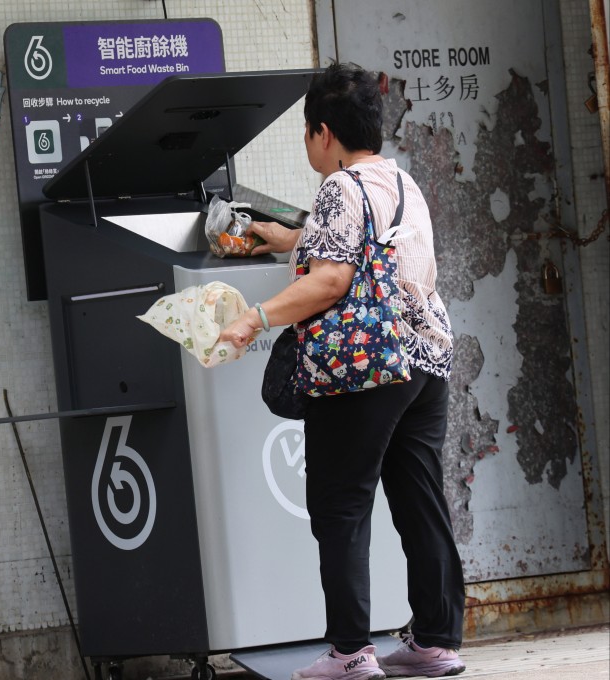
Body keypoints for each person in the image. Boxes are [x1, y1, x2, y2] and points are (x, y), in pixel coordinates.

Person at [218, 62, 466, 680]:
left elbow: (334, 279)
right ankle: (436, 642)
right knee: (419, 502)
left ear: (323, 133)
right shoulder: (402, 183)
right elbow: (368, 250)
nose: (308, 145)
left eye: (306, 134)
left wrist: (257, 316)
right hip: (424, 362)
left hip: (365, 368)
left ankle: (352, 653)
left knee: (341, 506)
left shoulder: (339, 188)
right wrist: (286, 238)